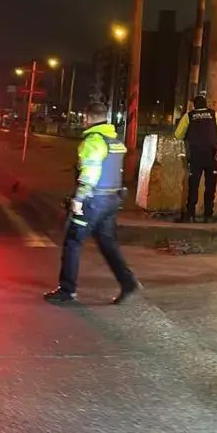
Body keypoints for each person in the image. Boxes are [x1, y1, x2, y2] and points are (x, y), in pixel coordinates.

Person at [43, 102, 139, 306]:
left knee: (73, 242)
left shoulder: (93, 141)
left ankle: (67, 290)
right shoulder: (114, 140)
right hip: (112, 199)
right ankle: (128, 282)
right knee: (108, 244)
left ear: (87, 119)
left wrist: (79, 199)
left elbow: (90, 173)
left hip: (93, 200)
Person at [174, 94, 217, 223]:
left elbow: (178, 135)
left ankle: (190, 215)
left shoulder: (189, 116)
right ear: (206, 105)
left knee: (193, 185)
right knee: (210, 186)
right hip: (212, 155)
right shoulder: (214, 115)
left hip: (195, 155)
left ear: (194, 105)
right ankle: (208, 216)